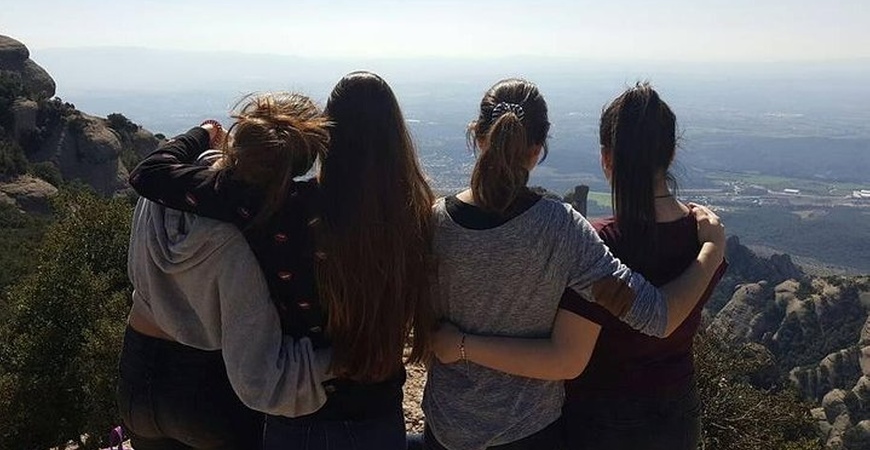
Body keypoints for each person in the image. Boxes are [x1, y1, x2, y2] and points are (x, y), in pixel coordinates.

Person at [128, 72, 435, 450]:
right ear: (396, 138)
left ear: (329, 137)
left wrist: (204, 134)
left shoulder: (278, 208)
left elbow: (150, 175)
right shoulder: (419, 217)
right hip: (378, 410)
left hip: (299, 414)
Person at [422, 78, 725, 450]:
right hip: (529, 431)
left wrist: (459, 344)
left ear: (477, 137)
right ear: (537, 151)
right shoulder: (563, 230)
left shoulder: (434, 221)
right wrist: (712, 248)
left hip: (446, 425)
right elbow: (657, 316)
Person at [119, 92, 335, 450]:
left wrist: (203, 132)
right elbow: (260, 373)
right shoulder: (245, 238)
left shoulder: (162, 193)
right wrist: (337, 362)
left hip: (136, 376)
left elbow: (153, 168)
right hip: (207, 388)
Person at [557, 83, 725, 450]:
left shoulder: (598, 244)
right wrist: (713, 248)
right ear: (671, 152)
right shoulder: (702, 235)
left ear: (606, 158)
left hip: (601, 415)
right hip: (679, 412)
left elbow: (566, 352)